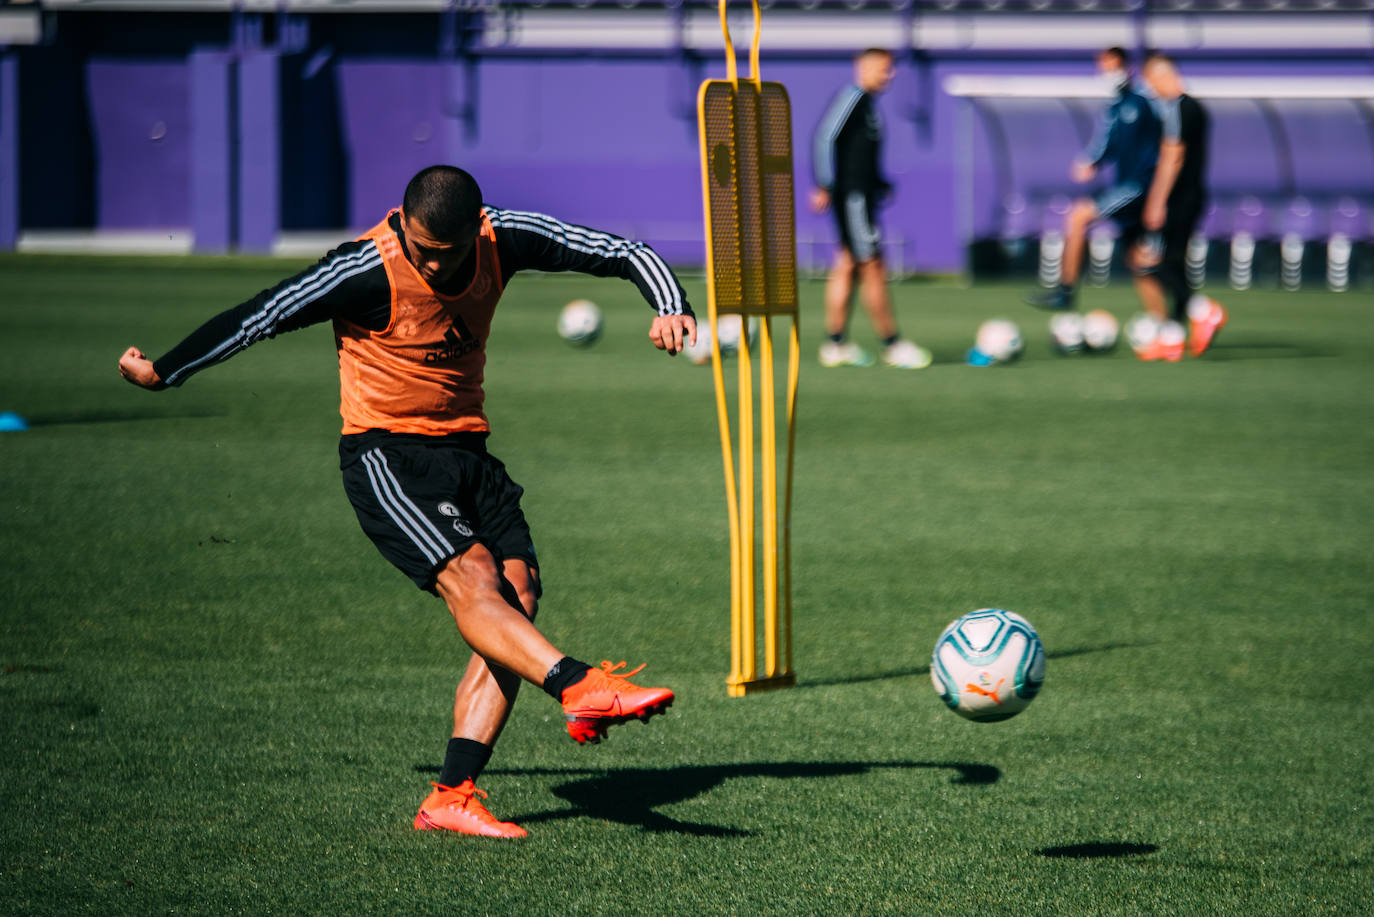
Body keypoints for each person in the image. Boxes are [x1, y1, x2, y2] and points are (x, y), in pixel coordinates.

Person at [118, 165, 697, 839]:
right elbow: (263, 314)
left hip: (468, 453)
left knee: (517, 597)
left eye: (444, 253)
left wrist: (670, 304)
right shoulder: (365, 268)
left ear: (474, 233)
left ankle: (452, 795)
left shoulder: (502, 238)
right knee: (474, 579)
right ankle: (575, 683)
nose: (429, 261)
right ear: (404, 221)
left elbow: (623, 250)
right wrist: (165, 369)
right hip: (387, 455)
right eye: (420, 247)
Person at [810, 47, 931, 370]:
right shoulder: (853, 97)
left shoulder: (869, 105)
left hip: (861, 195)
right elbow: (825, 137)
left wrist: (879, 183)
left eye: (890, 70)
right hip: (853, 199)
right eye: (883, 69)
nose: (888, 75)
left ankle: (835, 343)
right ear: (863, 68)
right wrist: (825, 183)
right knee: (873, 265)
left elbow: (859, 153)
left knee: (847, 264)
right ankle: (892, 344)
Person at [1026, 47, 1161, 313]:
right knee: (1137, 259)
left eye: (1112, 66)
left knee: (1078, 216)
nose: (1108, 73)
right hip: (1127, 185)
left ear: (1127, 68)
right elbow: (1106, 142)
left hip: (1138, 185)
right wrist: (1091, 161)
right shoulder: (1115, 107)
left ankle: (1065, 291)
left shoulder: (1143, 102)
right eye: (1104, 68)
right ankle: (1167, 321)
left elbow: (1166, 142)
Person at [1131, 52, 1228, 361]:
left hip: (1178, 198)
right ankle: (1173, 338)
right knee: (1175, 263)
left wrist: (1156, 202)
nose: (1151, 90)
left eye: (1151, 82)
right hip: (1193, 195)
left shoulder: (1178, 109)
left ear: (1161, 76)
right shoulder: (1196, 107)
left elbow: (1172, 157)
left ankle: (1203, 310)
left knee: (1151, 262)